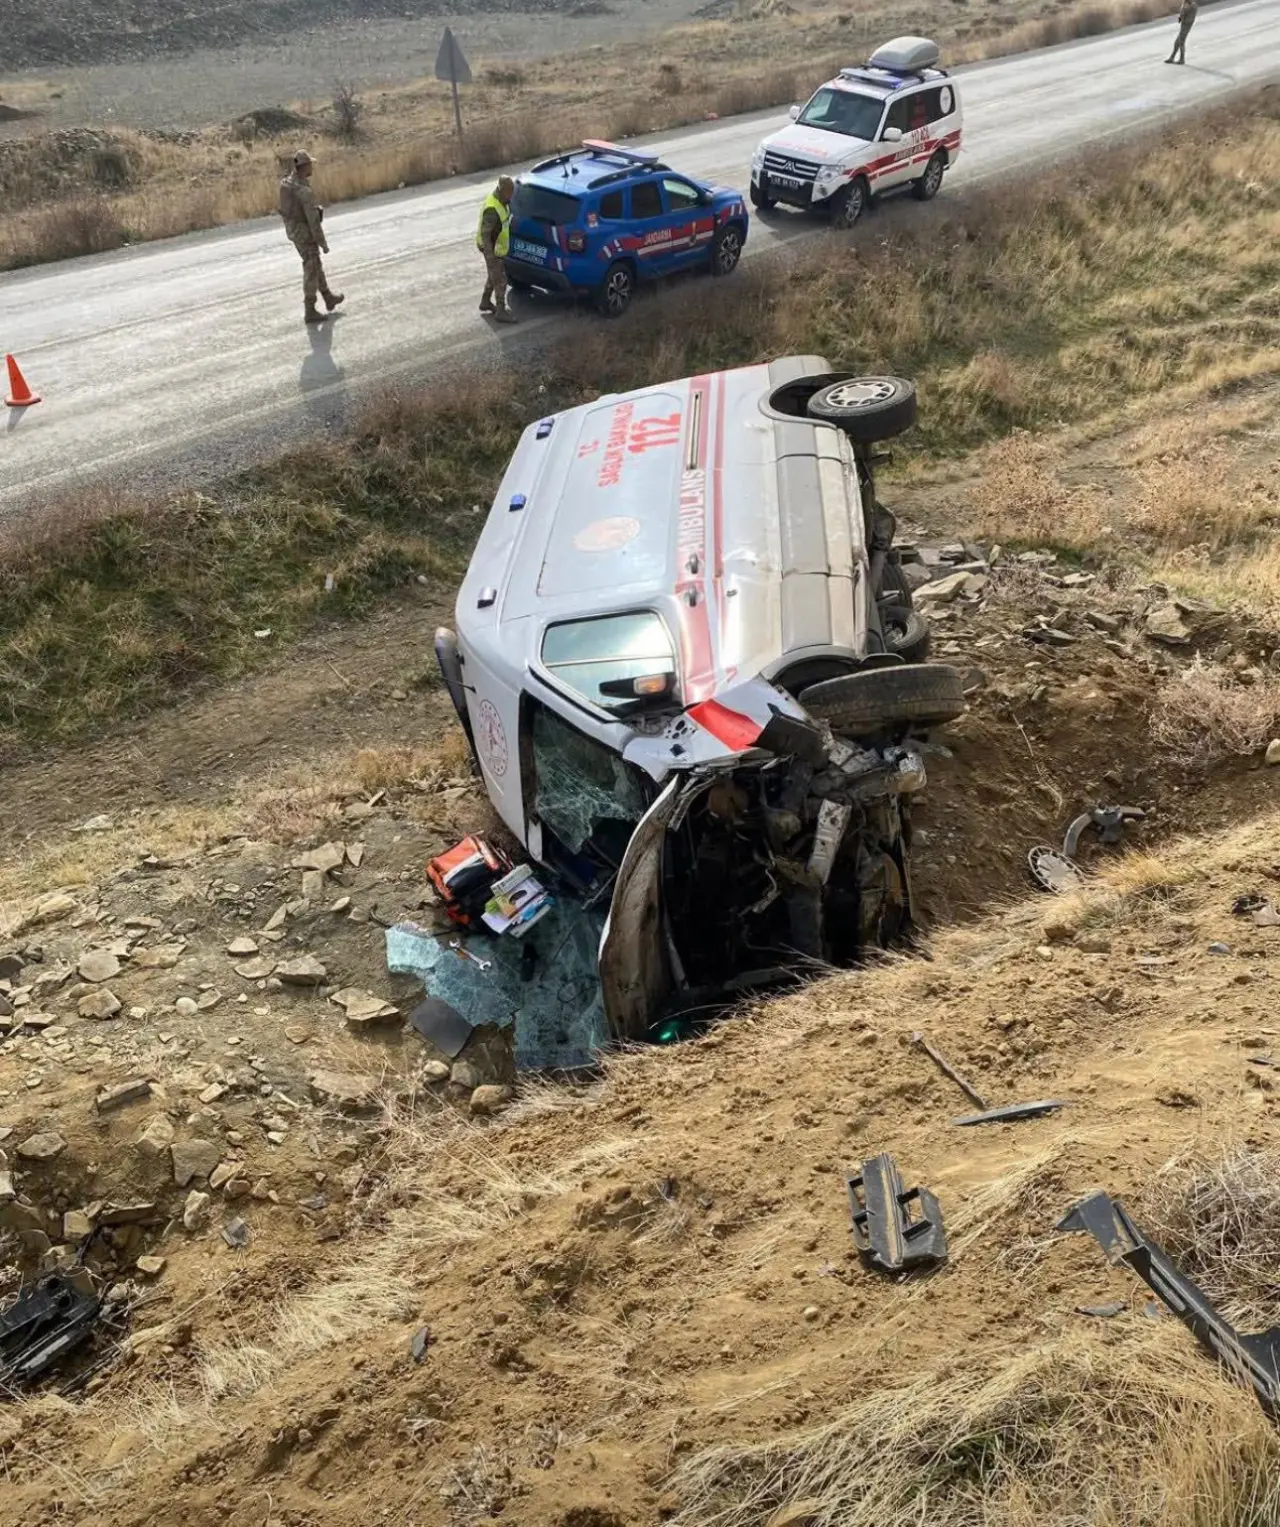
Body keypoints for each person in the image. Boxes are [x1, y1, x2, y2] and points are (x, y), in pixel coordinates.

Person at [278, 150, 344, 325]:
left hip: (293, 231)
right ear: (304, 166)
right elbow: (313, 221)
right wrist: (323, 243)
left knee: (315, 264)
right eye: (310, 164)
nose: (312, 167)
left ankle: (328, 297)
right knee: (311, 269)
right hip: (305, 234)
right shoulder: (303, 191)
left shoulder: (287, 183)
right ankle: (310, 310)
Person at [477, 175, 517, 325]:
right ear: (502, 190)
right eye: (509, 191)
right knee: (500, 279)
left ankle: (485, 301)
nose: (511, 194)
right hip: (490, 248)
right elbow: (485, 234)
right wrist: (490, 256)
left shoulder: (502, 200)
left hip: (497, 246)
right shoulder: (492, 209)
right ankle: (501, 310)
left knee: (493, 275)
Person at [1166, 0, 1197, 64]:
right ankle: (1172, 58)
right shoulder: (1187, 5)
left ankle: (1182, 59)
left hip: (1186, 26)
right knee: (1177, 43)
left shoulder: (1192, 6)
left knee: (1181, 42)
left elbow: (1188, 18)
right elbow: (1180, 17)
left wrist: (1183, 13)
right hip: (1183, 26)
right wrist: (1180, 18)